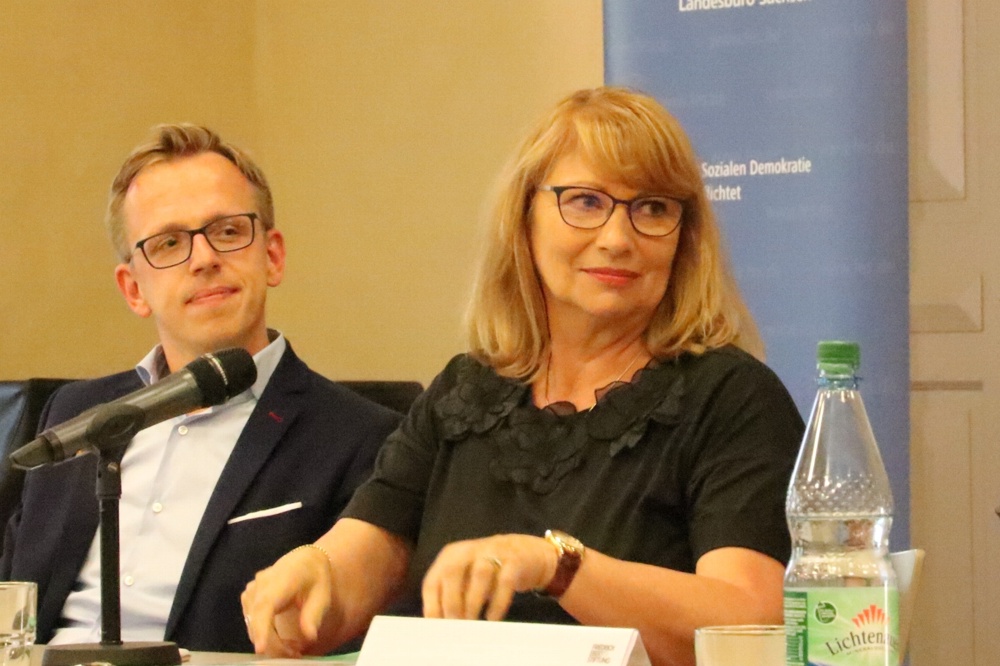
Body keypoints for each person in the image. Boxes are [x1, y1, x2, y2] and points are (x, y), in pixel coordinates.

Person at [241, 87, 804, 666]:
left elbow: (747, 626)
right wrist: (310, 580)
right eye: (585, 202)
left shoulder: (732, 397)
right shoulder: (466, 391)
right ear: (524, 217)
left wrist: (556, 566)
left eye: (653, 208)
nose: (617, 238)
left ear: (685, 238)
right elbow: (360, 561)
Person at [0, 124, 402, 652]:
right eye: (169, 243)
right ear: (133, 289)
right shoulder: (76, 413)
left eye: (229, 232)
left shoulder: (363, 437)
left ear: (273, 256)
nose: (204, 258)